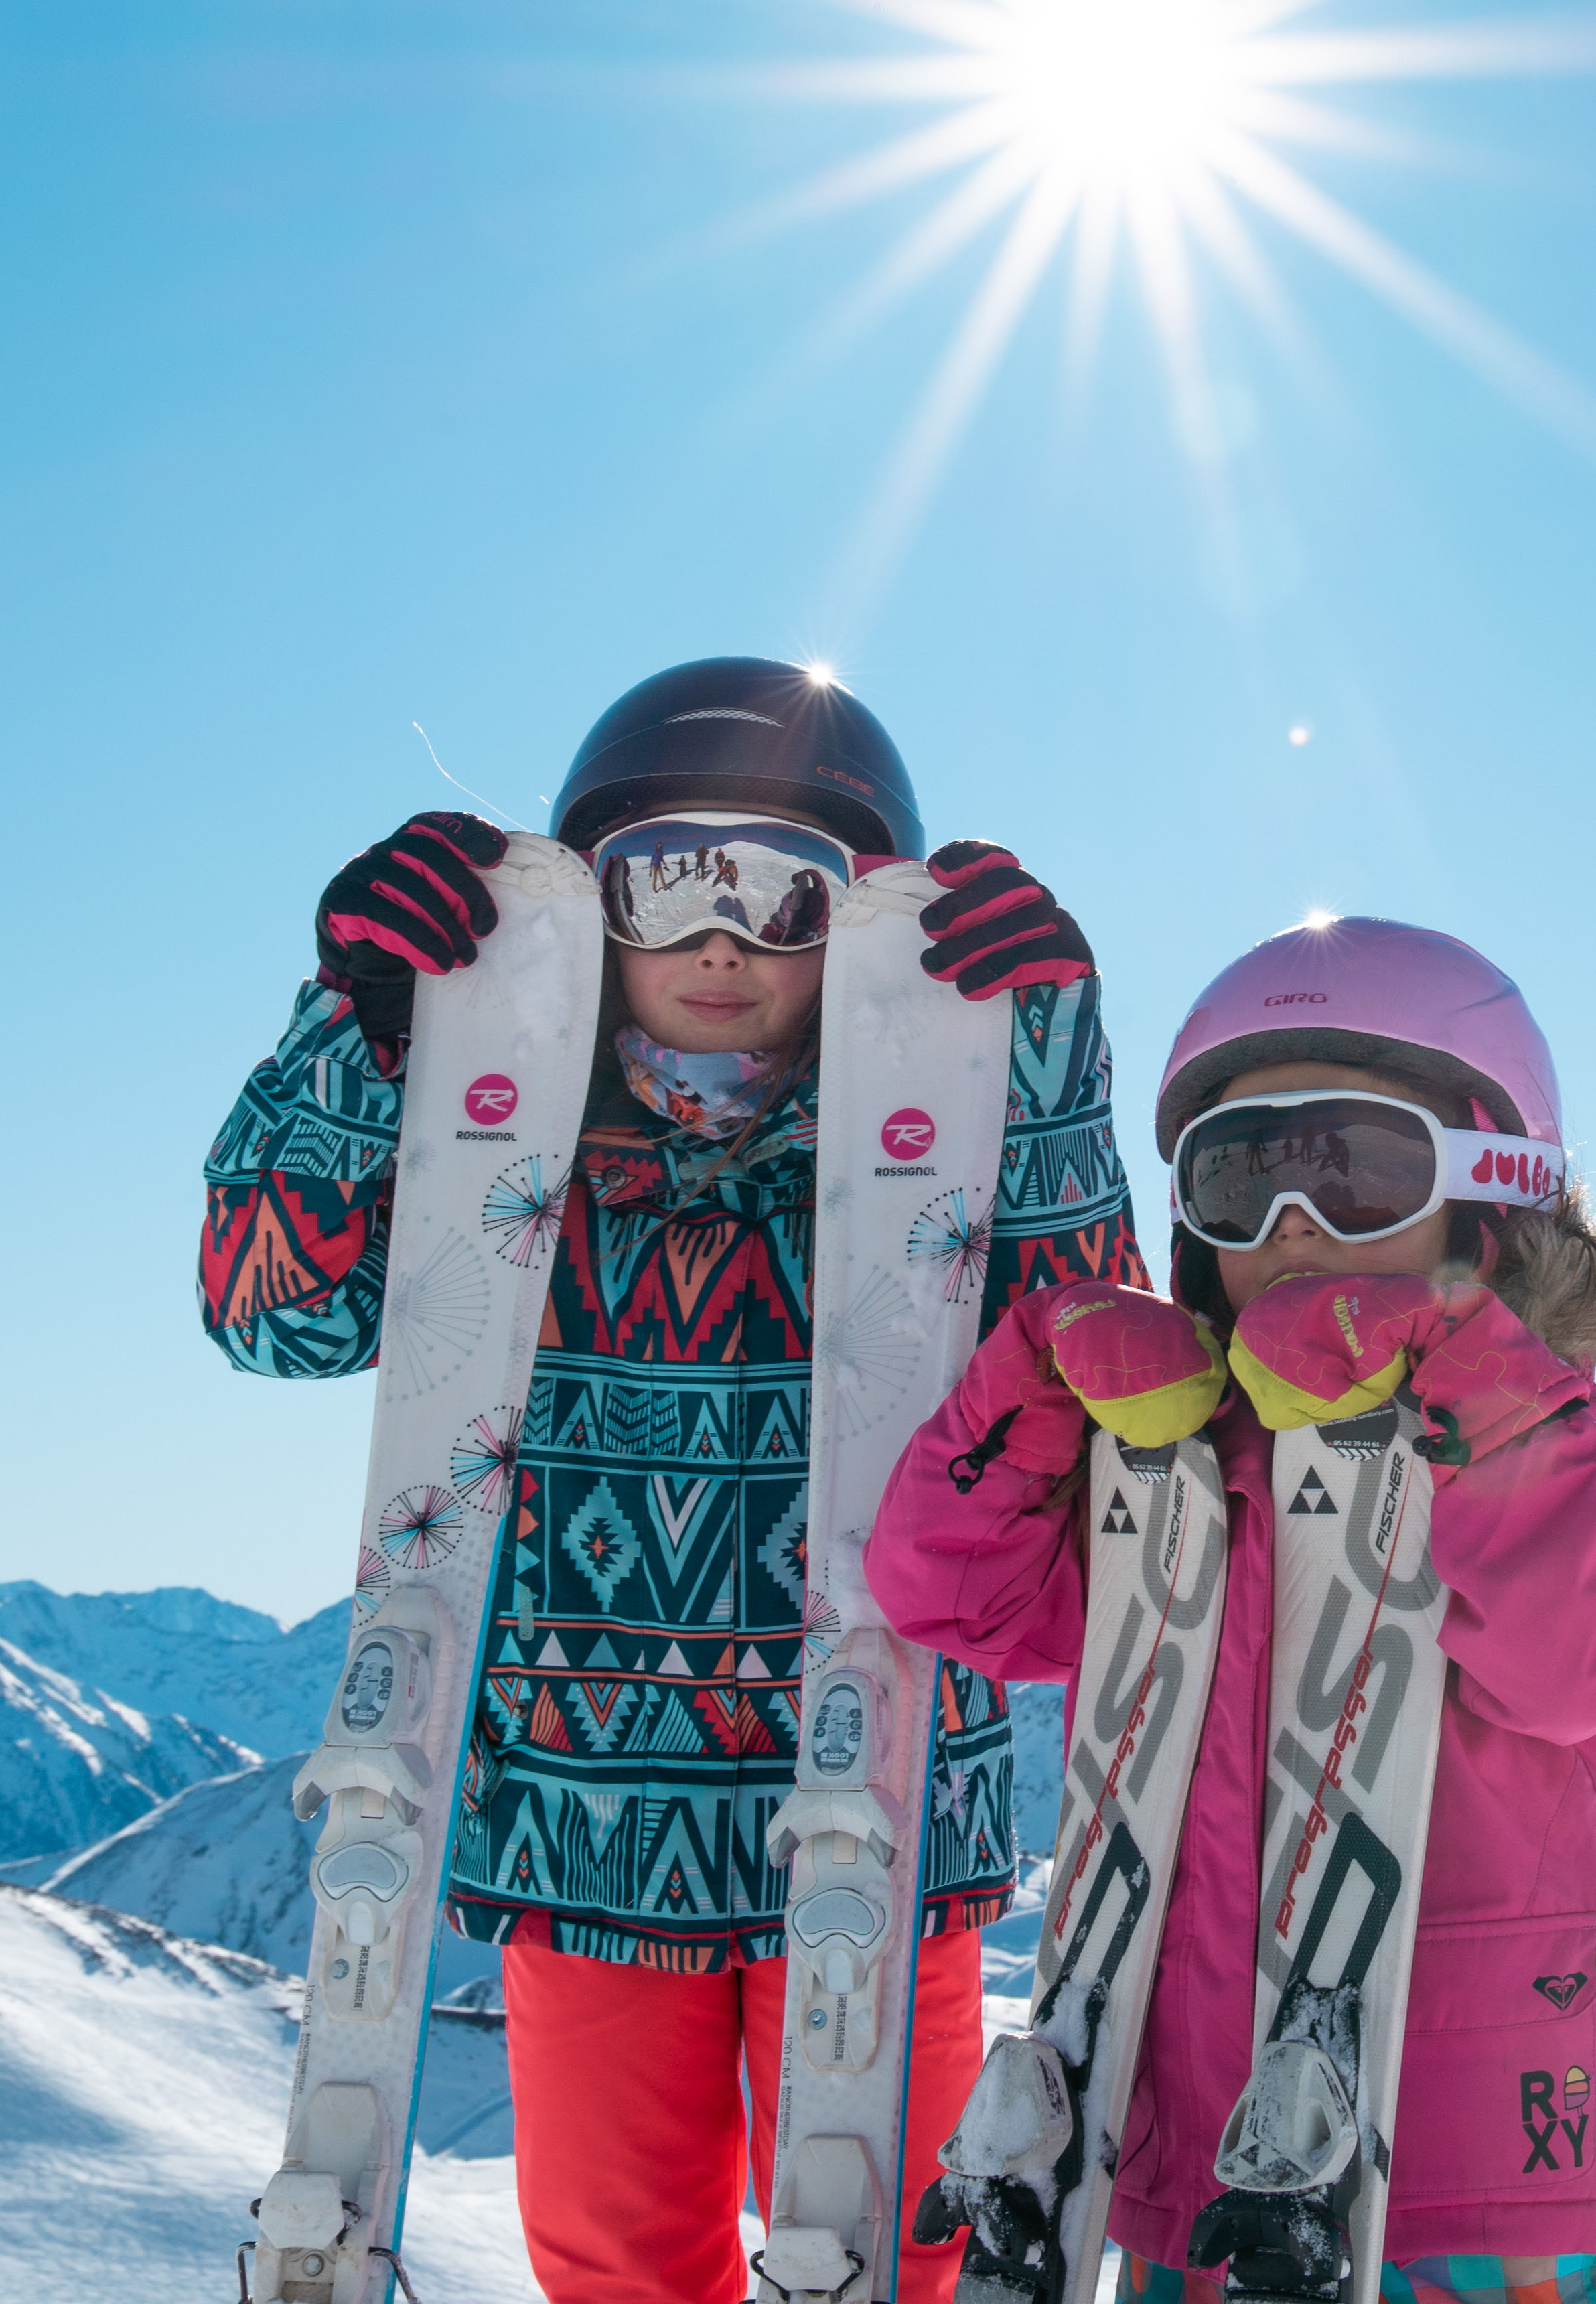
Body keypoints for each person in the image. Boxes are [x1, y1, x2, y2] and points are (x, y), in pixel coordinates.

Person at [198, 657, 1141, 2304]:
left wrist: (1042, 1065)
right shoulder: (506, 1159)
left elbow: (1093, 1372)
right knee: (619, 2272)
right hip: (587, 1822)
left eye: (788, 892)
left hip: (884, 1800)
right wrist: (358, 1022)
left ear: (860, 926)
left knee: (896, 2264)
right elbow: (269, 1308)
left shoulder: (925, 1161)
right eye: (667, 880)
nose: (724, 939)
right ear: (591, 909)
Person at [868, 918, 1596, 2302]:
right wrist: (1030, 1384)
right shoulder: (1181, 1477)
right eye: (1243, 1175)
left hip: (1466, 2188)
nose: (1296, 1220)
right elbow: (945, 1587)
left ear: (1495, 1194)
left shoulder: (1553, 1436)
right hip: (1186, 2182)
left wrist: (1463, 1373)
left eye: (1358, 1166)